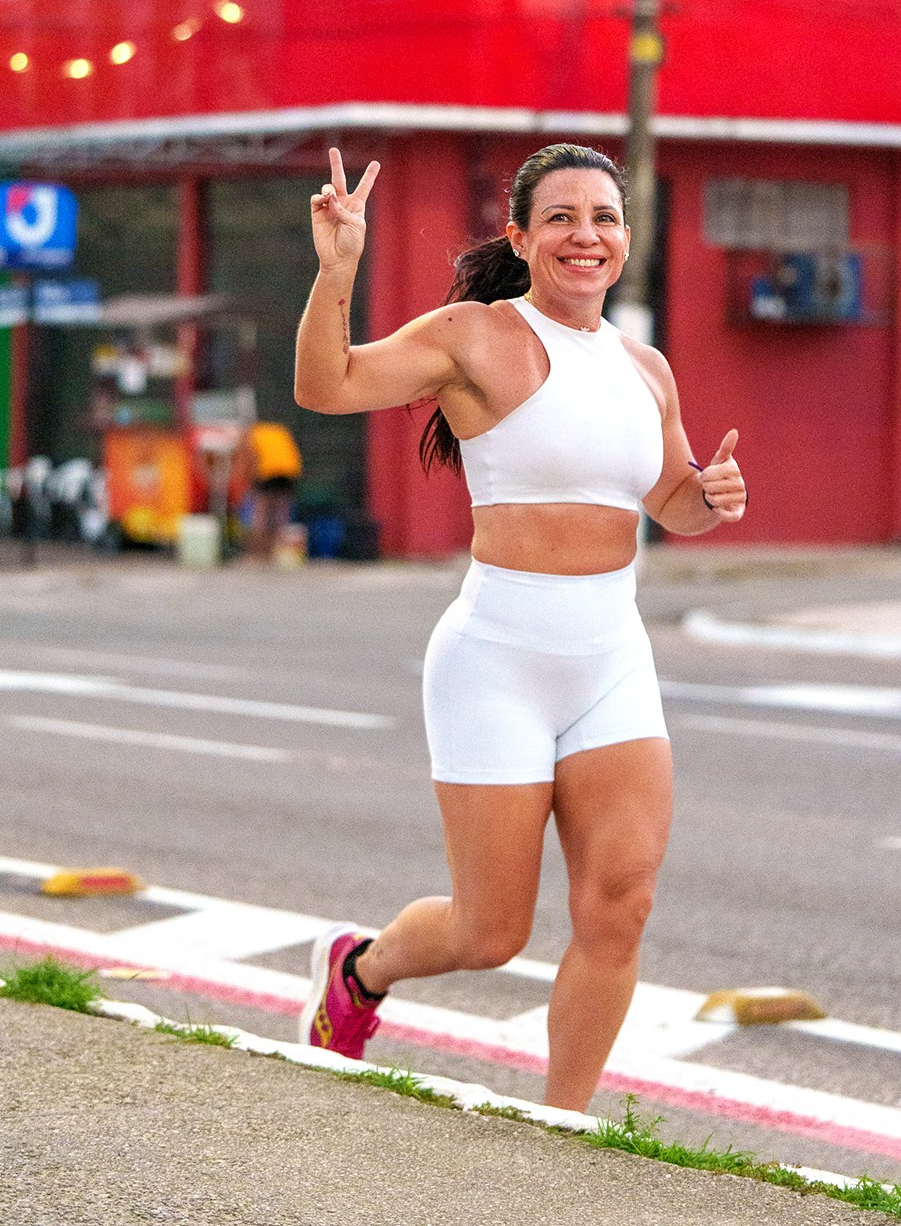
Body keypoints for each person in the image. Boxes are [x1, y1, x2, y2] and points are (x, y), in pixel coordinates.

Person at [292, 143, 747, 1113]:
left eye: (605, 218)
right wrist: (338, 272)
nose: (587, 236)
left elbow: (670, 500)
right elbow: (328, 387)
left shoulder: (646, 367)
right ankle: (360, 971)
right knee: (488, 931)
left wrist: (710, 494)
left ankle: (561, 1127)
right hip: (495, 659)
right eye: (562, 218)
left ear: (626, 239)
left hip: (611, 658)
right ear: (521, 237)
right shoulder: (473, 337)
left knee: (619, 905)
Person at [239, 420, 303, 560]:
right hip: (290, 471)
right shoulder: (279, 429)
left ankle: (257, 553)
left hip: (268, 471)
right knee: (280, 513)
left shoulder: (250, 433)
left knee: (260, 513)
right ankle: (277, 552)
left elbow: (250, 457)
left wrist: (249, 478)